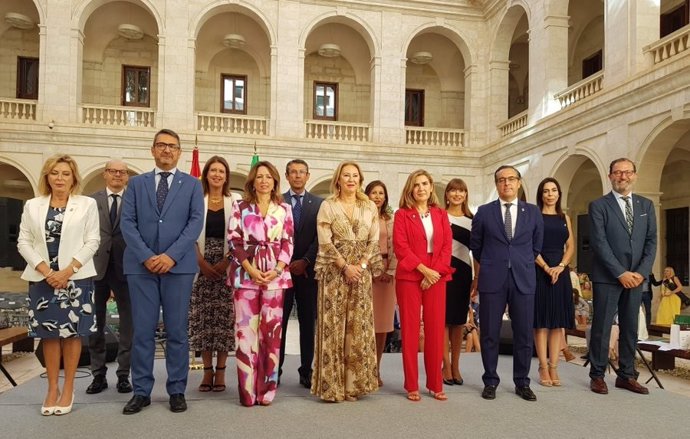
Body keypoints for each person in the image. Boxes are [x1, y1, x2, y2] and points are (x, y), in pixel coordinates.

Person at [120, 129, 204, 414]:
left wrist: (170, 256)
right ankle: (141, 391)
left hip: (178, 268)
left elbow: (194, 223)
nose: (167, 150)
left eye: (172, 146)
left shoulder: (193, 185)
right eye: (161, 145)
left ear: (179, 152)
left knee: (177, 331)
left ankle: (177, 390)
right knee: (142, 331)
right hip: (140, 268)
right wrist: (147, 256)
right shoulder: (135, 184)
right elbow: (127, 223)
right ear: (152, 150)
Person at [18, 154, 100, 415]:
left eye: (65, 173)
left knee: (72, 334)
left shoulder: (86, 204)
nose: (60, 178)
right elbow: (24, 242)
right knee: (49, 335)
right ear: (47, 176)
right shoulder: (32, 205)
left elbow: (92, 241)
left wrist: (66, 271)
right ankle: (52, 388)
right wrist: (46, 271)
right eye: (55, 173)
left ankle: (68, 389)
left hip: (75, 277)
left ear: (74, 177)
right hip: (43, 279)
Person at [469, 165, 543, 402]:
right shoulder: (483, 212)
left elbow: (536, 246)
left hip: (523, 278)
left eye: (511, 179)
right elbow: (476, 246)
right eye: (501, 180)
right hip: (493, 278)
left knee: (523, 333)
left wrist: (518, 261)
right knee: (490, 332)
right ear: (496, 184)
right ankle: (490, 380)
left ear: (519, 183)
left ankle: (522, 382)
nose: (506, 183)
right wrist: (493, 263)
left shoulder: (532, 212)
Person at [311, 161, 382, 402]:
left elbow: (374, 241)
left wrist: (360, 266)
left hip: (361, 275)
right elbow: (324, 240)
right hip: (334, 272)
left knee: (357, 326)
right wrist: (345, 266)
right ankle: (333, 387)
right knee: (334, 326)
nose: (351, 179)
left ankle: (353, 386)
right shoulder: (328, 206)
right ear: (338, 180)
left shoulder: (369, 206)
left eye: (355, 175)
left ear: (360, 180)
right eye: (346, 175)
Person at [227, 161, 293, 406]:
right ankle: (247, 391)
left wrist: (276, 269)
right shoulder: (240, 206)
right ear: (252, 181)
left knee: (271, 335)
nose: (264, 180)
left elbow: (289, 242)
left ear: (275, 181)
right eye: (259, 176)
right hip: (245, 277)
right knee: (246, 335)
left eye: (268, 177)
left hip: (276, 280)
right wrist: (251, 269)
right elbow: (233, 241)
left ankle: (267, 389)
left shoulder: (284, 208)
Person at [588, 158, 656, 396]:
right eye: (617, 173)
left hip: (637, 278)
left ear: (634, 175)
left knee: (630, 327)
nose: (622, 177)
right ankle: (597, 374)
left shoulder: (646, 206)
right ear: (610, 177)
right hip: (608, 276)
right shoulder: (599, 206)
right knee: (602, 327)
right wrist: (620, 272)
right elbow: (599, 242)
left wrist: (640, 272)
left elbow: (651, 242)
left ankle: (627, 375)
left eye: (627, 172)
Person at [393, 169, 453, 402]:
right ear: (410, 189)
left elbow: (447, 246)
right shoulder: (402, 215)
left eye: (425, 183)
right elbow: (401, 247)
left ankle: (435, 383)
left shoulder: (440, 214)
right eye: (416, 184)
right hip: (410, 274)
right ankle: (411, 384)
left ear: (431, 188)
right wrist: (423, 270)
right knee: (409, 330)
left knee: (436, 330)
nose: (421, 188)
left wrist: (434, 272)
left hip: (437, 275)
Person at [188, 156, 239, 393]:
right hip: (199, 263)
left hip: (227, 265)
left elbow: (241, 235)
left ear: (226, 176)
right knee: (204, 321)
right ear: (206, 174)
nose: (217, 174)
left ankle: (221, 372)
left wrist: (226, 261)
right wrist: (200, 261)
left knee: (224, 322)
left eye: (222, 171)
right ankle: (206, 372)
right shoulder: (196, 199)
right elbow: (187, 231)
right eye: (213, 170)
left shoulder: (236, 200)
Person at [86, 160, 133, 395]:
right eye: (113, 171)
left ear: (127, 177)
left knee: (128, 326)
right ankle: (98, 375)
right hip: (95, 268)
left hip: (126, 268)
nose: (117, 175)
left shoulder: (134, 200)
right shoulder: (90, 201)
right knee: (96, 324)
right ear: (105, 174)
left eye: (122, 172)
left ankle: (123, 375)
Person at [279, 159, 323, 388]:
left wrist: (306, 260)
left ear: (308, 175)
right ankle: (275, 370)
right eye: (293, 172)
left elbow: (322, 236)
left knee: (308, 324)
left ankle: (307, 369)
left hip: (308, 273)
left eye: (301, 172)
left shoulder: (319, 203)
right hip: (281, 272)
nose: (297, 176)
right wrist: (285, 262)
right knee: (280, 323)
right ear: (287, 176)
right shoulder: (278, 201)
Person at [533, 177, 575, 387]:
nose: (550, 194)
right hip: (540, 270)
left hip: (561, 272)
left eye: (554, 190)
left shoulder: (565, 217)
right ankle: (542, 366)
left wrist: (560, 266)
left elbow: (570, 246)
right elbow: (531, 246)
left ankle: (554, 366)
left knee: (557, 323)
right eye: (546, 191)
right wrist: (546, 267)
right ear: (541, 195)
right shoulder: (535, 217)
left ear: (559, 193)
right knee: (541, 322)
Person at [365, 180, 397, 387]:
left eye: (381, 193)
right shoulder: (361, 217)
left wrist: (390, 270)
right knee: (365, 324)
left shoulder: (390, 219)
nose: (377, 196)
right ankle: (363, 370)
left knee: (382, 326)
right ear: (366, 195)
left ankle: (376, 369)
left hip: (387, 276)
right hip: (365, 272)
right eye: (374, 193)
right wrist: (371, 269)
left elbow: (397, 246)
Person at [442, 178, 473, 386]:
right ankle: (445, 365)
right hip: (443, 272)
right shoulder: (439, 216)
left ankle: (456, 365)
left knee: (458, 322)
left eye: (461, 191)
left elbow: (477, 252)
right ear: (447, 194)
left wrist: (477, 278)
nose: (457, 194)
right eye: (453, 190)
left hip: (464, 272)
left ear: (465, 194)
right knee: (443, 321)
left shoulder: (473, 220)